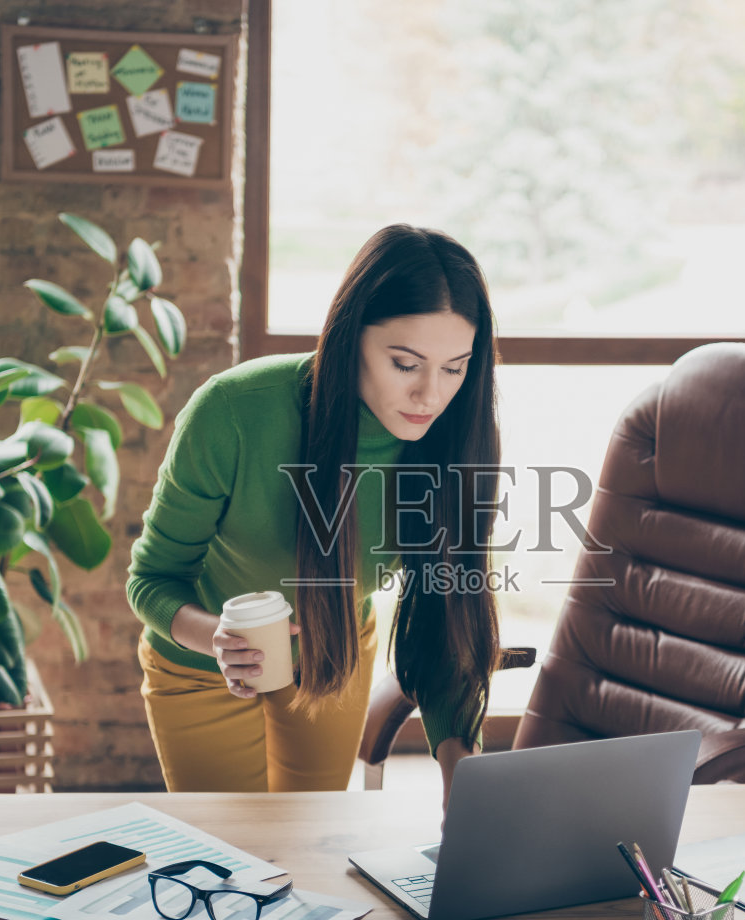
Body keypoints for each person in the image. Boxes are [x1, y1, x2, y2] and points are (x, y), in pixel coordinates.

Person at [127, 224, 502, 805]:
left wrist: (464, 776)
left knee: (309, 836)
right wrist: (221, 641)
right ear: (351, 338)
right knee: (228, 856)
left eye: (454, 368)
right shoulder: (232, 412)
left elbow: (444, 617)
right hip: (204, 661)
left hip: (338, 649)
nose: (431, 395)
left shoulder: (453, 439)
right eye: (406, 363)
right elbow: (150, 579)